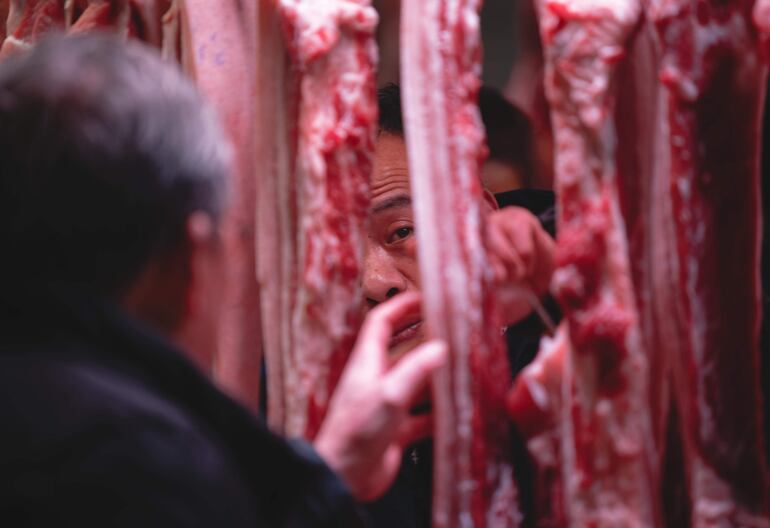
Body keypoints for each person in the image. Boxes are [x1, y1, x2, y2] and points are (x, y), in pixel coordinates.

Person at [0, 34, 446, 526]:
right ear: (191, 255)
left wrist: (331, 478)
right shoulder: (145, 459)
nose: (377, 283)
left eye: (402, 231)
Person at [362, 84, 557, 527]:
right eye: (339, 257)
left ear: (482, 216)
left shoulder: (560, 343)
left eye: (401, 232)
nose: (375, 283)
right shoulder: (312, 416)